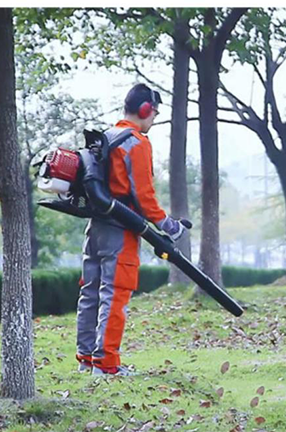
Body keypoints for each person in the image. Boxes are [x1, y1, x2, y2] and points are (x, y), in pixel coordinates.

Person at [75, 83, 184, 376]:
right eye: (155, 113)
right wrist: (170, 227)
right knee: (115, 294)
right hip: (121, 230)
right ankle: (107, 365)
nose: (154, 120)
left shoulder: (105, 137)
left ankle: (86, 359)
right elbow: (145, 198)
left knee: (90, 293)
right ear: (146, 110)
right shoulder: (136, 143)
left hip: (95, 227)